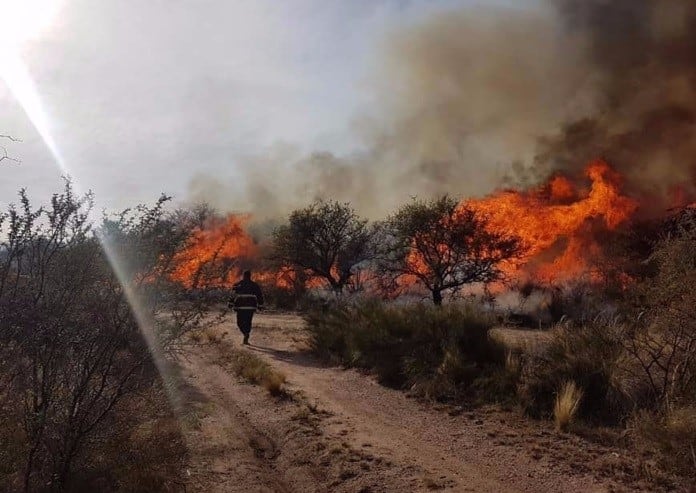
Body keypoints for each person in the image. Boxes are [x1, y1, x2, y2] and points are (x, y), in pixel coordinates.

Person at [229, 270, 264, 345]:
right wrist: (260, 305)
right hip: (250, 308)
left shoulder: (237, 284)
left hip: (240, 308)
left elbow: (232, 295)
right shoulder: (254, 285)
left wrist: (230, 304)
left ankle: (245, 333)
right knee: (248, 322)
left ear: (243, 276)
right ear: (250, 276)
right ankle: (246, 333)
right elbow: (260, 296)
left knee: (239, 322)